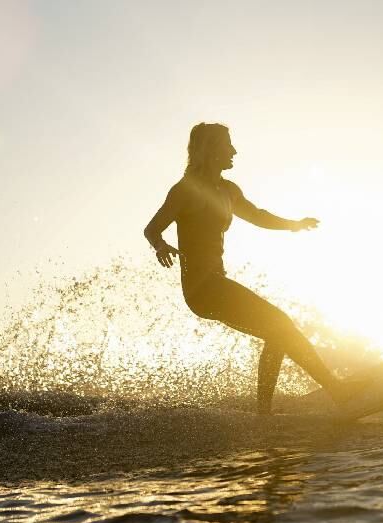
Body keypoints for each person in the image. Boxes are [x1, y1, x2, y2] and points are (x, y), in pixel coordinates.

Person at [143, 122, 352, 414]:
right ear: (210, 149)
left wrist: (294, 225)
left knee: (277, 332)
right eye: (227, 144)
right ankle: (337, 391)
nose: (234, 151)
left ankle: (264, 414)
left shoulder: (228, 190)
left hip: (217, 282)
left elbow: (257, 216)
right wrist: (160, 246)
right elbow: (152, 228)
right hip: (201, 290)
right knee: (280, 324)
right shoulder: (185, 190)